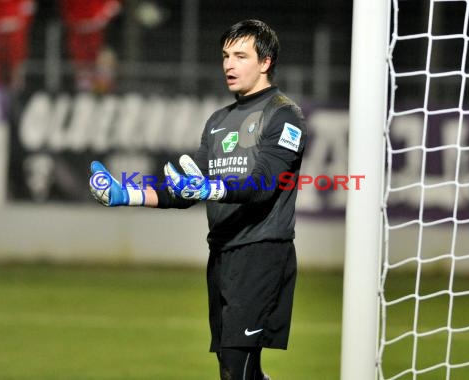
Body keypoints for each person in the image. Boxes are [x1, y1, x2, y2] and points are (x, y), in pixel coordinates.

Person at [89, 19, 307, 380]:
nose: (228, 65)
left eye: (240, 55)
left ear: (265, 62)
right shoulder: (218, 121)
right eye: (225, 56)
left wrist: (210, 188)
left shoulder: (283, 114)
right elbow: (185, 189)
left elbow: (265, 183)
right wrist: (124, 193)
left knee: (236, 370)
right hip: (222, 254)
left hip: (262, 252)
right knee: (234, 369)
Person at [58, 0, 121, 92]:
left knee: (102, 60)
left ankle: (104, 91)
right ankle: (85, 90)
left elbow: (114, 5)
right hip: (78, 28)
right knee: (81, 64)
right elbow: (65, 6)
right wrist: (70, 20)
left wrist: (105, 15)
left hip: (99, 27)